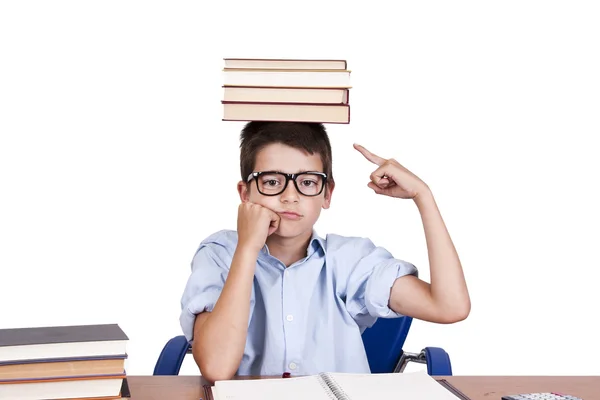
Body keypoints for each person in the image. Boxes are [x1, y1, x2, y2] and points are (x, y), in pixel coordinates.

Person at [179, 121, 470, 382]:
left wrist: (423, 196)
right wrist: (247, 247)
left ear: (327, 193)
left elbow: (450, 307)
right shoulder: (219, 254)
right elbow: (216, 368)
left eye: (307, 182)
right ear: (245, 194)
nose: (289, 196)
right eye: (271, 182)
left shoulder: (351, 260)